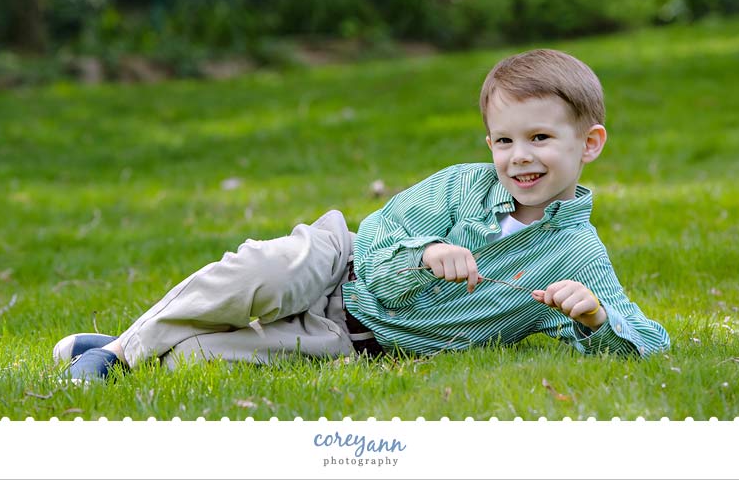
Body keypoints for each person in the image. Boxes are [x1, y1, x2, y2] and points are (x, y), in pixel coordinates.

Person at [55, 49, 670, 382]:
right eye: (504, 141)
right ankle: (115, 354)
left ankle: (120, 345)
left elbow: (647, 344)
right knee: (254, 278)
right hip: (335, 266)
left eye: (540, 137)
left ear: (588, 144)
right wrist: (425, 253)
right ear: (488, 143)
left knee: (200, 360)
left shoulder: (576, 256)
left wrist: (594, 319)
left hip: (357, 340)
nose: (520, 157)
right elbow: (376, 240)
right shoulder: (459, 186)